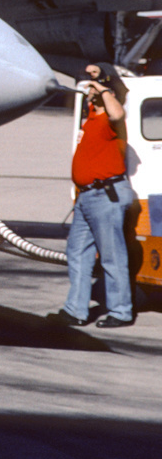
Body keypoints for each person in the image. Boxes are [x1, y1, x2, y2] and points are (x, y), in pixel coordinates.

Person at [49, 62, 137, 328]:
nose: (88, 91)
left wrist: (103, 87)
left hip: (105, 195)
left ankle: (121, 312)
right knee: (77, 252)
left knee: (112, 256)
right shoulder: (91, 121)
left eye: (93, 90)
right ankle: (75, 310)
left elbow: (117, 112)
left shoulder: (112, 122)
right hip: (87, 197)